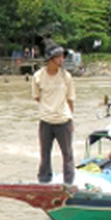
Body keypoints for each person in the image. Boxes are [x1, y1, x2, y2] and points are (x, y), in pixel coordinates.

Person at [33, 42, 76, 184]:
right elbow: (37, 97)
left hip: (63, 121)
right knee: (45, 155)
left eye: (62, 57)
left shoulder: (66, 77)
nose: (61, 60)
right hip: (46, 121)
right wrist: (49, 108)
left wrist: (71, 119)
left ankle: (68, 183)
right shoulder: (38, 77)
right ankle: (44, 181)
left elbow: (70, 100)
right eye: (58, 57)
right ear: (50, 59)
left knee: (67, 155)